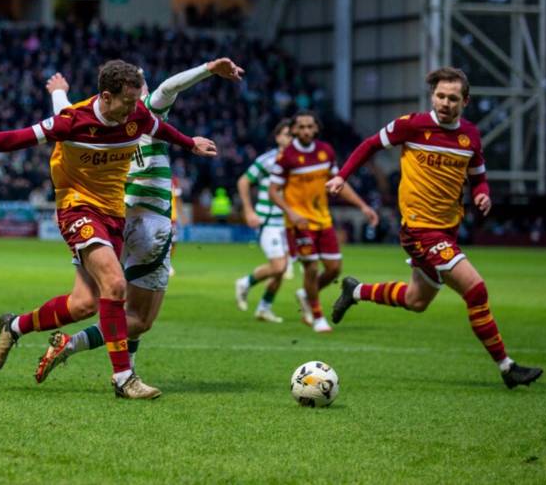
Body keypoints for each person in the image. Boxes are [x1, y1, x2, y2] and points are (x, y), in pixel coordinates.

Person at [0, 60, 217, 399]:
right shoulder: (72, 121)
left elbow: (160, 129)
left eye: (135, 101)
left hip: (114, 213)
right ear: (106, 97)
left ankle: (14, 326)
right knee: (114, 283)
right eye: (127, 102)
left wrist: (190, 143)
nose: (133, 109)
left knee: (83, 305)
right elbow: (18, 138)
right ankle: (124, 379)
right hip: (77, 208)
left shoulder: (135, 115)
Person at [327, 66, 543, 389]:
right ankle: (507, 367)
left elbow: (479, 177)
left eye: (452, 98)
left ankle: (355, 291)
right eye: (440, 96)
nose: (444, 103)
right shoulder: (411, 126)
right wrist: (342, 176)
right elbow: (371, 144)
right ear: (432, 96)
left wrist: (483, 195)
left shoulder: (470, 135)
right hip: (419, 231)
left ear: (465, 101)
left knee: (416, 300)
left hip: (447, 230)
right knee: (476, 289)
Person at [36, 58, 244, 386]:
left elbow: (64, 117)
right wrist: (207, 69)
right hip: (149, 223)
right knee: (140, 318)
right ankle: (75, 346)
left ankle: (125, 368)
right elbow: (169, 87)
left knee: (95, 300)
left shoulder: (99, 117)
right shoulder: (146, 112)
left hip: (113, 217)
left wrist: (59, 91)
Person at [268, 110, 378, 333]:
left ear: (316, 128)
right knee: (311, 268)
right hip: (299, 224)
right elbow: (273, 191)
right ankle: (317, 317)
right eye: (302, 127)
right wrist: (291, 212)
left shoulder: (325, 152)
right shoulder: (286, 156)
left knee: (334, 269)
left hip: (323, 219)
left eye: (310, 126)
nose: (306, 130)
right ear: (295, 130)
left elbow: (339, 183)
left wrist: (363, 206)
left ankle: (306, 293)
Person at [234, 119, 293, 323]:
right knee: (278, 267)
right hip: (269, 221)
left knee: (282, 270)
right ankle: (245, 282)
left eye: (292, 135)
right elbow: (243, 181)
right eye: (286, 134)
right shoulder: (268, 160)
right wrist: (249, 211)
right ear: (278, 137)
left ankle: (264, 308)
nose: (290, 138)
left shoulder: (299, 161)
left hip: (288, 223)